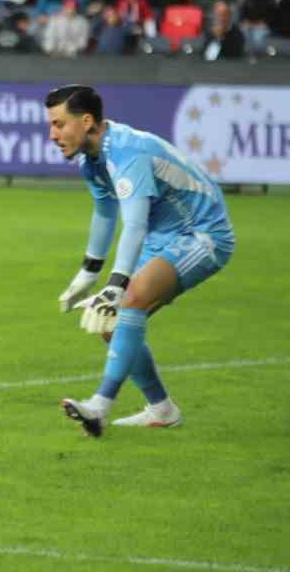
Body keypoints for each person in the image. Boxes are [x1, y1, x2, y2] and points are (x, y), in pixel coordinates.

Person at [48, 85, 235, 436]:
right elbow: (105, 213)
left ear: (86, 121)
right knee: (109, 324)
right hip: (163, 236)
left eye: (59, 124)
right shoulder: (91, 158)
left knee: (128, 300)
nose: (52, 134)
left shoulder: (127, 152)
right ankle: (162, 410)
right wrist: (88, 273)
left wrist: (116, 286)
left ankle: (99, 406)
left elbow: (133, 223)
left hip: (201, 232)